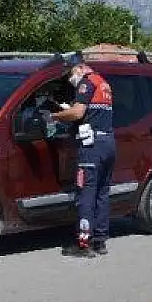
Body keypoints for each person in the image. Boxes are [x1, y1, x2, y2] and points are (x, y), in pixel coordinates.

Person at [52, 62, 116, 258]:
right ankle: (100, 240)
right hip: (108, 143)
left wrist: (55, 116)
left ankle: (83, 243)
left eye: (71, 74)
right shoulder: (103, 83)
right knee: (102, 193)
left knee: (86, 193)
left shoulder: (86, 84)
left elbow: (78, 112)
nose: (71, 79)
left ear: (79, 68)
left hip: (91, 146)